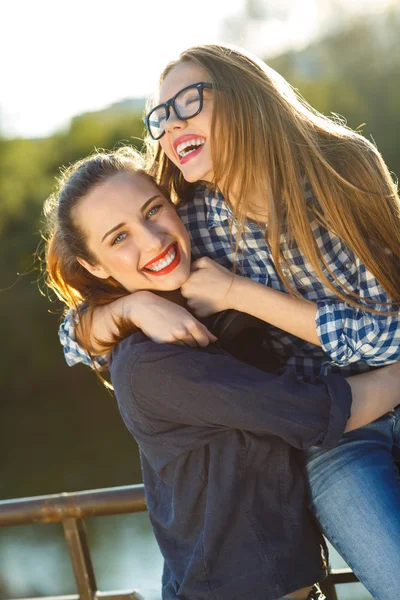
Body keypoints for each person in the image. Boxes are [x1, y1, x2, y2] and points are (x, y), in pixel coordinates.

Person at [59, 45, 400, 599]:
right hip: (341, 431)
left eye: (188, 102)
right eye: (161, 118)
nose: (172, 126)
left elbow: (391, 330)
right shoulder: (190, 216)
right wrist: (129, 306)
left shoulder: (342, 168)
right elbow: (73, 339)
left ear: (244, 99)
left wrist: (237, 292)